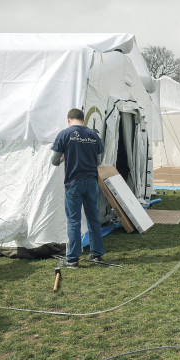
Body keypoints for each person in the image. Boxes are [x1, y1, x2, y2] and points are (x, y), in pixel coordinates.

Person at [51, 108, 106, 268]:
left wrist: (65, 157)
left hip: (73, 182)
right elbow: (99, 161)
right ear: (83, 120)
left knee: (74, 221)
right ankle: (97, 254)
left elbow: (54, 161)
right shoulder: (93, 135)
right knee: (94, 219)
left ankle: (73, 260)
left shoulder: (65, 134)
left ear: (69, 120)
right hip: (91, 182)